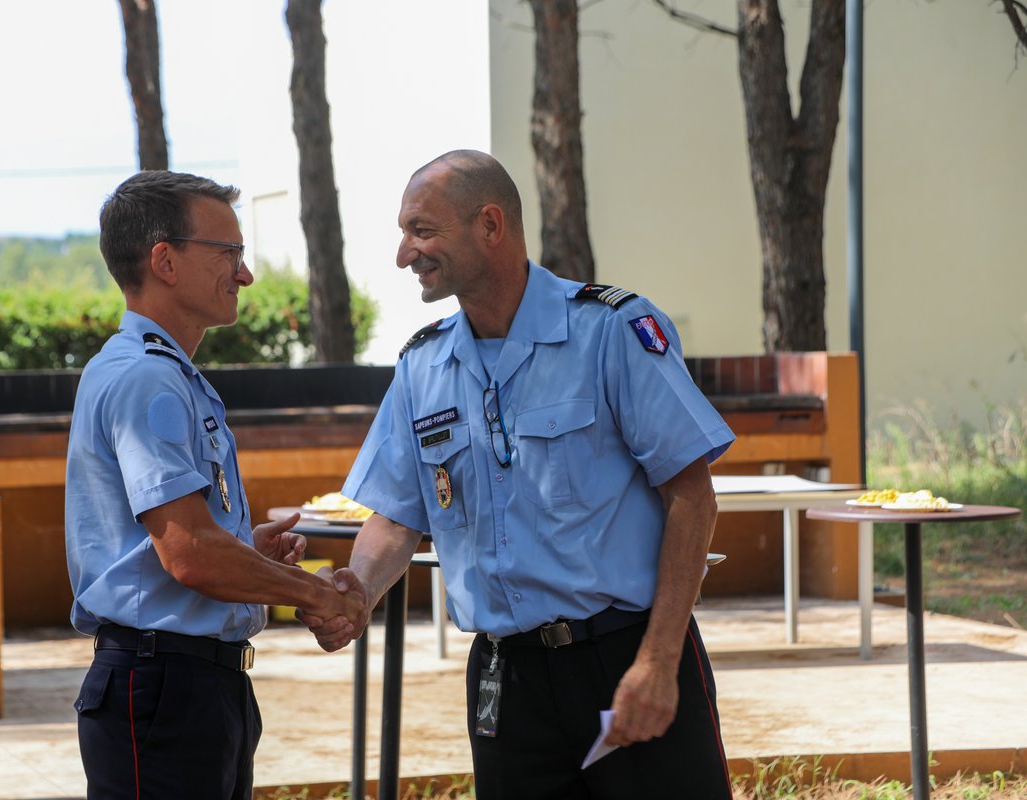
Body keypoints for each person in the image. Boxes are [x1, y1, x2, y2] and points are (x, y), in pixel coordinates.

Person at [304, 150, 737, 799]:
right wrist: (359, 592)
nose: (404, 254)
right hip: (506, 679)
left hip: (624, 655)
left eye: (422, 231)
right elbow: (397, 515)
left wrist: (658, 659)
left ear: (490, 225)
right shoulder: (423, 365)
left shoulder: (610, 329)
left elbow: (691, 496)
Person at [65, 170, 362, 800]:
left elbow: (179, 543)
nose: (245, 273)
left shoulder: (164, 373)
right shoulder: (147, 378)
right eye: (228, 252)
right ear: (164, 260)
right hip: (165, 689)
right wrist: (314, 595)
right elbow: (190, 553)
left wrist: (244, 551)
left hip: (192, 687)